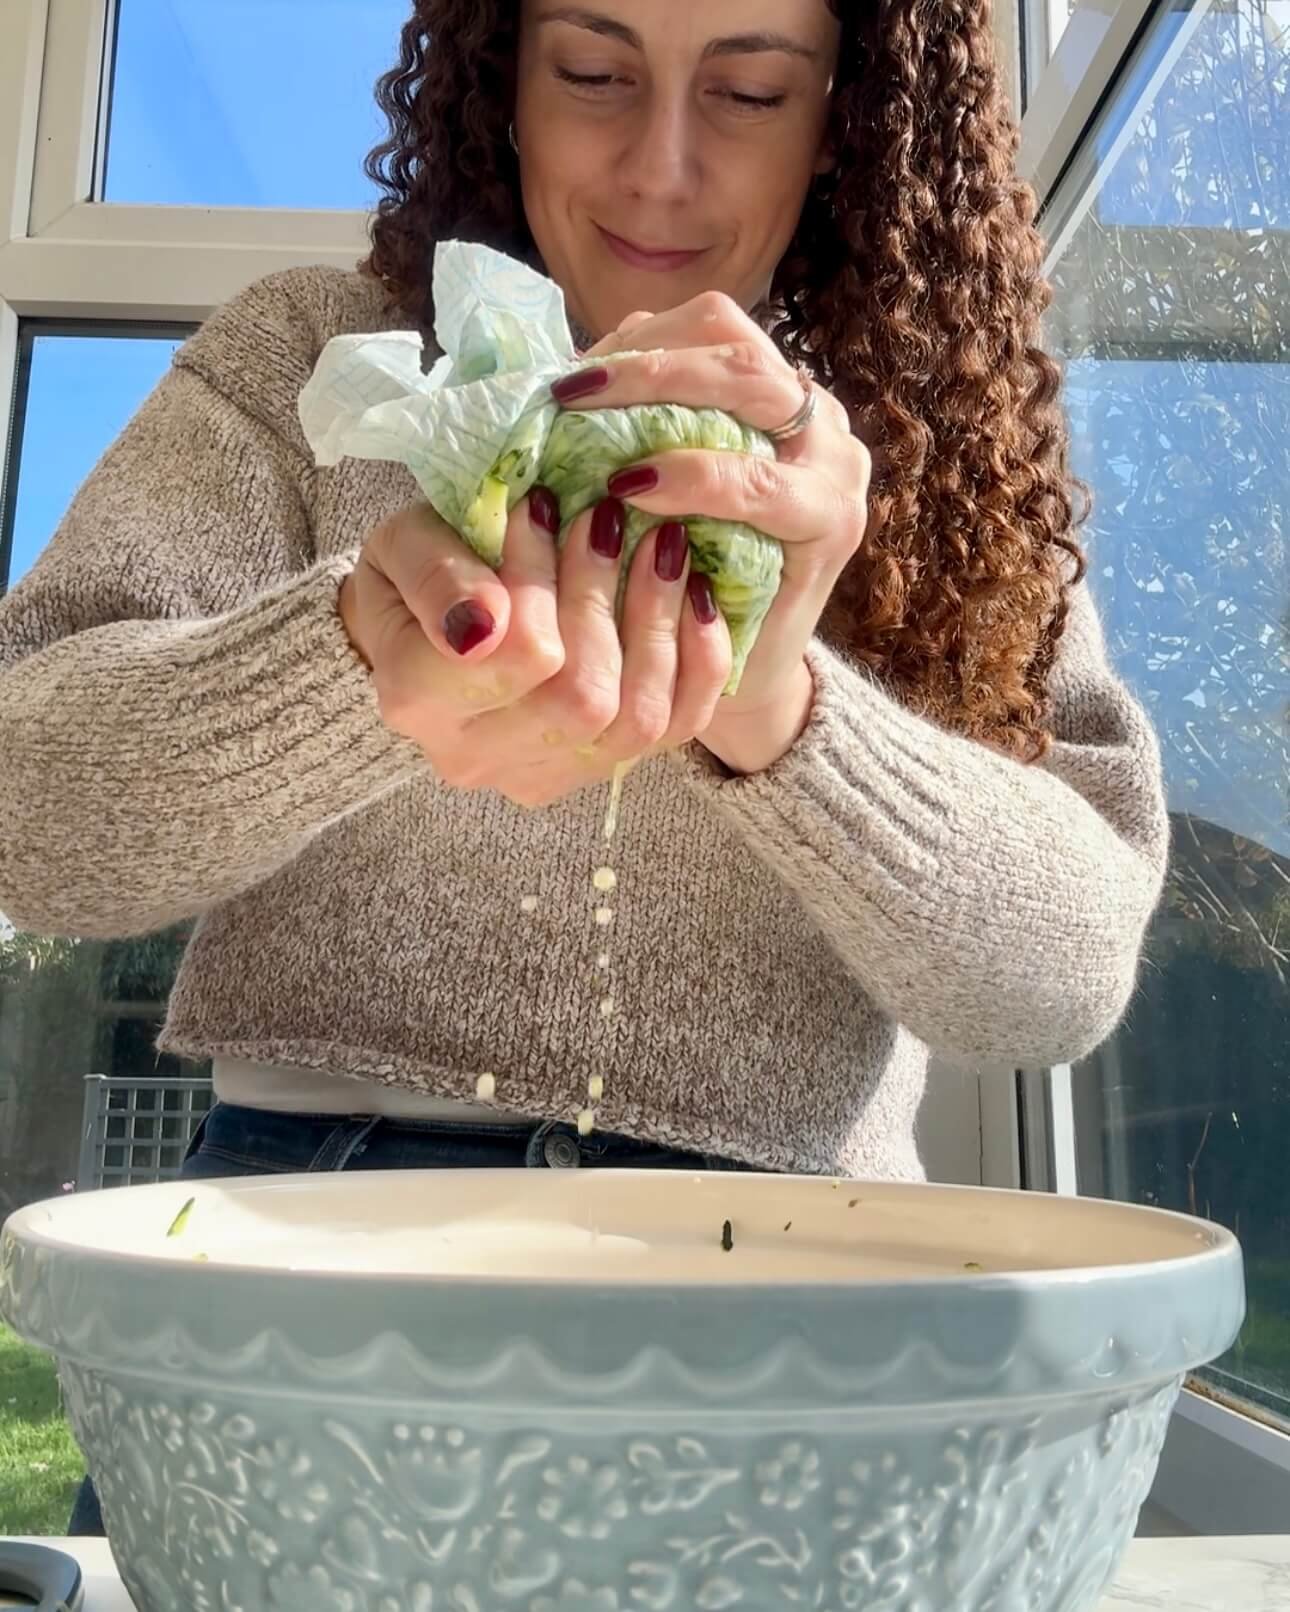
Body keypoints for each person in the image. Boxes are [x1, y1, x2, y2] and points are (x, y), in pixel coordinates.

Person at [0, 0, 1166, 1541]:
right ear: (503, 82)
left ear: (847, 119)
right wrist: (355, 655)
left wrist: (784, 709)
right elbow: (32, 822)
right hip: (304, 1241)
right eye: (595, 73)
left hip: (807, 1292)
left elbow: (1057, 985)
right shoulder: (310, 359)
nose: (659, 167)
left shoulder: (934, 451)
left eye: (749, 93)